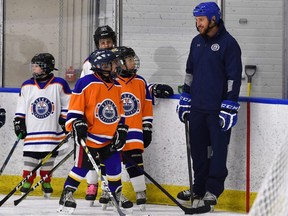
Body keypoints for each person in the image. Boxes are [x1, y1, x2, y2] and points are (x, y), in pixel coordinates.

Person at [81, 25, 174, 206]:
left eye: (109, 41)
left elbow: (139, 90)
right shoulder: (91, 64)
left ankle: (132, 192)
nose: (106, 45)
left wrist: (152, 89)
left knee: (129, 162)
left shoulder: (127, 75)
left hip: (127, 129)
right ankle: (98, 188)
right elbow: (90, 90)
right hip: (103, 124)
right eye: (103, 42)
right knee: (100, 160)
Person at [176, 2, 242, 210]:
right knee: (198, 151)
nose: (198, 24)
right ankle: (198, 187)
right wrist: (186, 96)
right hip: (197, 108)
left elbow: (233, 77)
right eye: (196, 20)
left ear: (213, 19)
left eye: (201, 20)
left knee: (218, 152)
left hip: (217, 110)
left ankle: (212, 190)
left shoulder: (229, 44)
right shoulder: (196, 42)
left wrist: (230, 103)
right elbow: (190, 72)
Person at [57, 50, 132, 214]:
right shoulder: (86, 82)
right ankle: (67, 193)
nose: (117, 67)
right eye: (113, 64)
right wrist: (77, 123)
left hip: (110, 137)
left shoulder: (117, 85)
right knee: (81, 167)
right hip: (90, 137)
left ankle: (115, 193)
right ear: (103, 66)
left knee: (114, 167)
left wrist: (121, 128)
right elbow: (75, 108)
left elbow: (120, 111)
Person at [14, 53, 71, 198]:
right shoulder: (27, 85)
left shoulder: (59, 83)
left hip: (51, 129)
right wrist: (19, 121)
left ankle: (46, 180)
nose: (34, 69)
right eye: (33, 66)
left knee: (48, 157)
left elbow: (68, 103)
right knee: (30, 156)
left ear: (46, 67)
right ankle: (27, 180)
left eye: (37, 66)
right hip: (33, 129)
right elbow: (21, 106)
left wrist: (64, 119)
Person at [113, 46, 153, 211]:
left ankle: (140, 192)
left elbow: (146, 106)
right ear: (120, 63)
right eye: (129, 60)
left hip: (135, 131)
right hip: (115, 132)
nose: (133, 62)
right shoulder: (112, 83)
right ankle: (111, 192)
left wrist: (147, 128)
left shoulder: (140, 81)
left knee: (136, 162)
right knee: (112, 164)